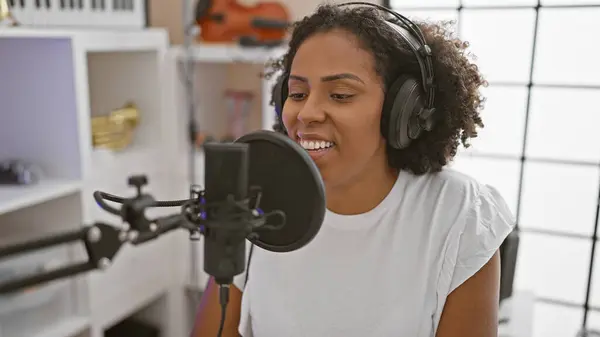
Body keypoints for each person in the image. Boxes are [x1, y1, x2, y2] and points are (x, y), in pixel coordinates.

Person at [193, 3, 515, 337]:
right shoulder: (257, 199)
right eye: (298, 93)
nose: (308, 113)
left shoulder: (459, 214)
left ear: (403, 111)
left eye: (341, 95)